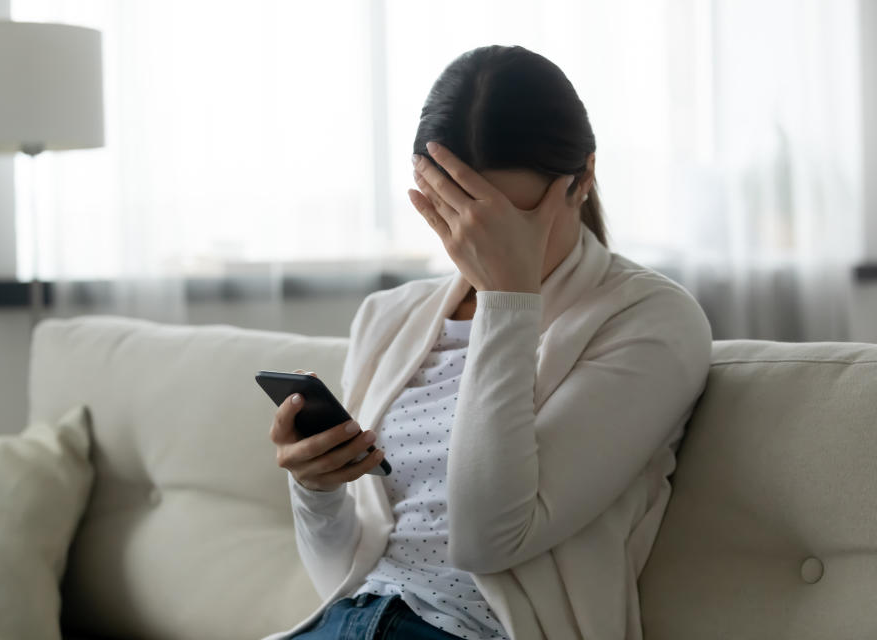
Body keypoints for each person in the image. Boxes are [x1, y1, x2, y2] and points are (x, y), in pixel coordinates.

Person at [263, 44, 712, 640]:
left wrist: (508, 299)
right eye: (460, 210)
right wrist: (316, 490)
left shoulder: (650, 319)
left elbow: (488, 539)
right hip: (352, 621)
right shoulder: (387, 317)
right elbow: (339, 579)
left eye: (512, 217)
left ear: (582, 181)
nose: (482, 233)